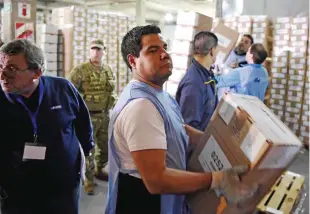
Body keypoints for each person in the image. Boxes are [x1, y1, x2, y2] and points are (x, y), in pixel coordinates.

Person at [105, 25, 262, 214]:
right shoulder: (141, 107)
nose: (164, 54)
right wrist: (216, 179)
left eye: (164, 47)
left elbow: (178, 128)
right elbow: (156, 180)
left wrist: (219, 145)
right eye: (153, 50)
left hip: (167, 199)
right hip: (144, 204)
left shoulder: (160, 95)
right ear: (133, 60)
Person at [0, 39, 94, 214]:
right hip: (17, 193)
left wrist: (88, 152)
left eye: (12, 69)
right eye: (0, 66)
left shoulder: (63, 88)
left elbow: (82, 122)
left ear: (37, 72)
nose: (2, 75)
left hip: (62, 188)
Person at [68, 39, 117, 195]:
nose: (96, 52)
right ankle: (89, 180)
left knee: (105, 148)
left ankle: (99, 170)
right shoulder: (80, 70)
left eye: (99, 49)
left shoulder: (108, 70)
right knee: (89, 148)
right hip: (87, 116)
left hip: (104, 115)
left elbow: (111, 92)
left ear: (103, 52)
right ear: (89, 51)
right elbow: (70, 93)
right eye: (93, 49)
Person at [176, 31, 218, 131]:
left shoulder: (206, 75)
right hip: (198, 145)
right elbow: (189, 129)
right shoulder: (193, 84)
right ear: (212, 51)